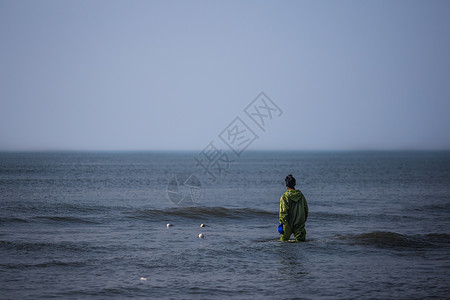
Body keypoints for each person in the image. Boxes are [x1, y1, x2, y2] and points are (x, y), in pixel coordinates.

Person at [278, 174, 309, 242]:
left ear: (286, 186)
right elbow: (306, 209)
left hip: (288, 223)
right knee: (301, 242)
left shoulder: (284, 197)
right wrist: (304, 220)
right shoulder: (301, 195)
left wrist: (281, 223)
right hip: (299, 221)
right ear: (295, 184)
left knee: (283, 242)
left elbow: (283, 212)